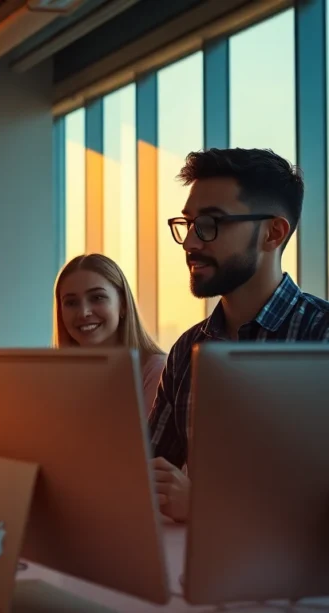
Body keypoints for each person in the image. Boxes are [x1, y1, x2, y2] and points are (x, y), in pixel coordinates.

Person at [150, 147, 329, 523]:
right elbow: (147, 473)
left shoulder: (321, 338)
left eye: (210, 223)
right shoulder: (186, 351)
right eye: (189, 223)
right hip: (197, 558)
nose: (191, 242)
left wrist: (205, 505)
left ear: (273, 233)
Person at [53, 253, 166, 411]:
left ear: (123, 304)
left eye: (97, 298)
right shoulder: (55, 376)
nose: (84, 313)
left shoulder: (157, 371)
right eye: (71, 303)